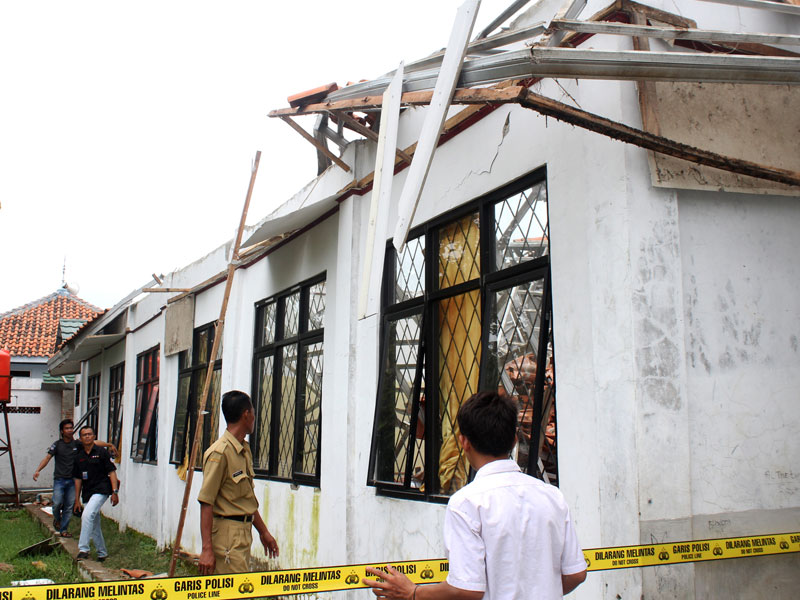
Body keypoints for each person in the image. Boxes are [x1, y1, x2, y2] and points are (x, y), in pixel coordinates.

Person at [365, 391, 587, 600]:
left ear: (464, 442)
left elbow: (467, 589)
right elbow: (576, 574)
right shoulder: (551, 496)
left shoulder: (466, 503)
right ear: (514, 441)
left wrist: (413, 593)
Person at [197, 390, 279, 575]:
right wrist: (207, 549)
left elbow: (245, 499)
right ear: (246, 414)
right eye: (253, 413)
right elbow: (206, 502)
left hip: (242, 534)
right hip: (226, 538)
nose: (254, 418)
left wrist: (263, 531)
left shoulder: (243, 450)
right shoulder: (220, 453)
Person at [33, 419, 117, 538]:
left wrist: (109, 445)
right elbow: (47, 458)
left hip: (73, 480)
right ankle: (57, 519)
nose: (70, 430)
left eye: (71, 428)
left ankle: (64, 529)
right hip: (59, 479)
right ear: (62, 431)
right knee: (57, 503)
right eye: (67, 428)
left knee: (69, 505)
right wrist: (38, 470)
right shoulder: (57, 445)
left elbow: (95, 442)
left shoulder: (77, 444)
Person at [72, 426, 119, 561]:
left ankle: (83, 549)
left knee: (87, 515)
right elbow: (78, 479)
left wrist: (115, 491)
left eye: (90, 434)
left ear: (94, 436)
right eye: (84, 435)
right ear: (80, 439)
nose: (87, 437)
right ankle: (102, 552)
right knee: (93, 523)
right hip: (87, 492)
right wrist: (76, 500)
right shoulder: (78, 457)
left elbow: (112, 472)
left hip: (102, 489)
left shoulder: (101, 452)